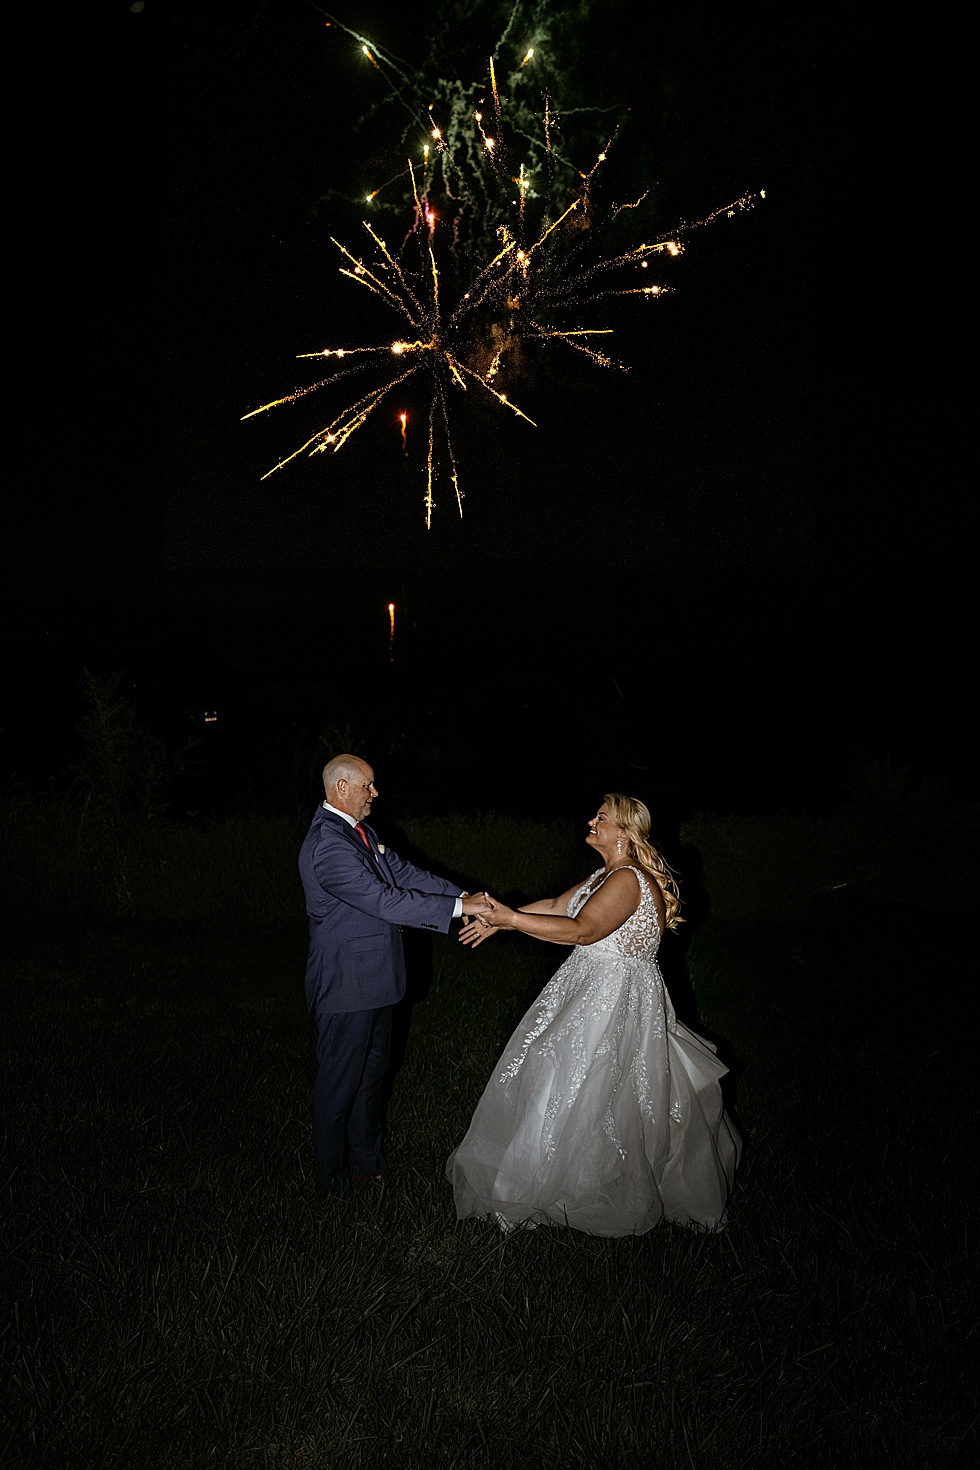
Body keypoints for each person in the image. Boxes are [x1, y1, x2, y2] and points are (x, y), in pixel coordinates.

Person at [447, 794, 741, 1235]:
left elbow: (583, 931)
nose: (591, 820)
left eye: (601, 817)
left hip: (613, 997)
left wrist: (511, 921)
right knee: (562, 1080)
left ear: (624, 832)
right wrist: (501, 918)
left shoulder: (628, 879)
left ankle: (565, 1189)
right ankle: (540, 1181)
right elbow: (556, 907)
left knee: (584, 1084)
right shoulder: (606, 875)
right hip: (589, 988)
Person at [299, 754, 490, 1199]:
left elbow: (403, 874)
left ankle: (368, 1167)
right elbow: (384, 900)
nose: (375, 793)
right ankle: (332, 1184)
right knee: (339, 1088)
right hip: (346, 986)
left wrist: (465, 895)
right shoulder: (328, 845)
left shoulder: (360, 832)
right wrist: (460, 909)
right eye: (368, 785)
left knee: (370, 1079)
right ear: (341, 788)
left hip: (378, 980)